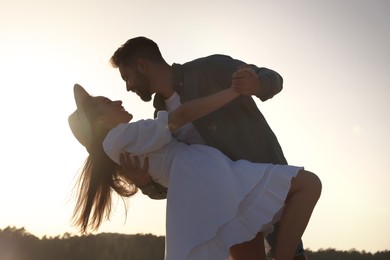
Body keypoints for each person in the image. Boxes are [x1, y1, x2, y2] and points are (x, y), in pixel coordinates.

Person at [68, 82, 321, 260]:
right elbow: (181, 116)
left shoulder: (130, 140)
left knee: (307, 185)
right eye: (106, 101)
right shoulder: (117, 139)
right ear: (100, 121)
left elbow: (165, 169)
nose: (118, 100)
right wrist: (232, 91)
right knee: (308, 184)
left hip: (218, 182)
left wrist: (146, 185)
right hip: (213, 187)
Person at [109, 36, 308, 259]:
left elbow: (273, 78)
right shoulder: (161, 118)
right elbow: (185, 180)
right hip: (228, 209)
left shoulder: (211, 68)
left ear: (142, 65)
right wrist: (146, 184)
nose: (128, 87)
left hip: (266, 185)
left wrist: (257, 83)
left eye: (127, 77)